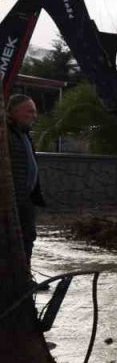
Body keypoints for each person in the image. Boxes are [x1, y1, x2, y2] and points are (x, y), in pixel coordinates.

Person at [7, 95, 44, 262]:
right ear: (14, 111)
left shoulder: (24, 134)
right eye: (30, 111)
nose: (34, 115)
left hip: (25, 198)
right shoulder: (6, 134)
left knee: (28, 237)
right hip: (11, 198)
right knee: (13, 239)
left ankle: (24, 276)